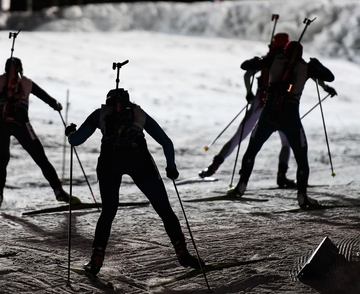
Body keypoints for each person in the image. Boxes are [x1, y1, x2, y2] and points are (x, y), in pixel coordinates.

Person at [65, 88, 203, 276]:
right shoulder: (139, 114)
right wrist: (171, 167)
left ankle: (96, 259)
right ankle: (182, 252)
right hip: (139, 160)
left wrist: (70, 133)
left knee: (108, 211)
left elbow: (76, 140)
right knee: (163, 209)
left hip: (109, 162)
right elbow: (166, 142)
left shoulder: (101, 114)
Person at [226, 41, 338, 208]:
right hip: (290, 116)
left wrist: (264, 59)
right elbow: (330, 77)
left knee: (252, 149)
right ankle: (302, 196)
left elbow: (245, 66)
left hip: (268, 114)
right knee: (301, 157)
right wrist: (317, 64)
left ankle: (241, 186)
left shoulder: (273, 61)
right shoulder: (306, 67)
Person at [0, 57, 80, 213]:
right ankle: (58, 190)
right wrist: (56, 105)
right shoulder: (27, 83)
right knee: (40, 157)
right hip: (22, 123)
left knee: (3, 158)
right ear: (21, 69)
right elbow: (45, 97)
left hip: (0, 123)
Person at [200, 33, 297, 188]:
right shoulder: (288, 63)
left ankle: (214, 166)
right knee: (286, 142)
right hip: (280, 107)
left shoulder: (267, 60)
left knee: (238, 137)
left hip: (259, 103)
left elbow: (247, 74)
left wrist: (249, 93)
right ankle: (281, 176)